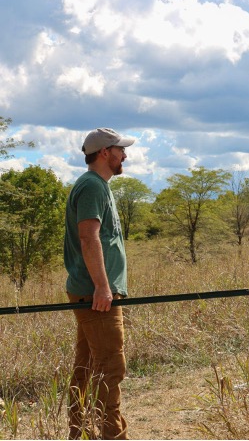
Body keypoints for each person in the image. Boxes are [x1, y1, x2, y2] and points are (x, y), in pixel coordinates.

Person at [64, 127, 135, 439]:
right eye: (120, 150)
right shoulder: (92, 186)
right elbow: (88, 237)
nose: (125, 155)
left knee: (88, 367)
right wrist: (103, 287)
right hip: (96, 294)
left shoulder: (98, 185)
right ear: (105, 152)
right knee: (110, 368)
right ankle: (112, 435)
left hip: (92, 292)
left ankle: (79, 432)